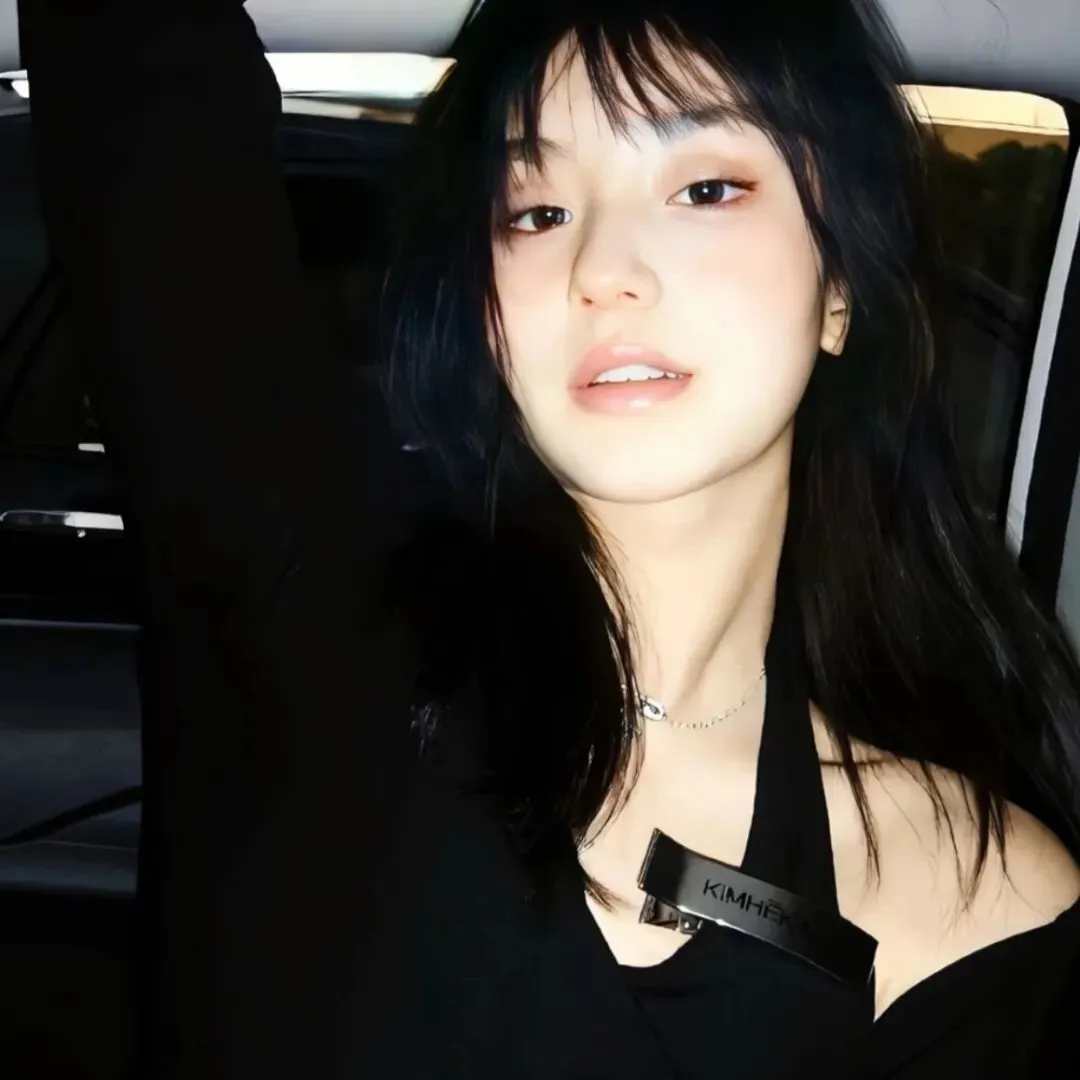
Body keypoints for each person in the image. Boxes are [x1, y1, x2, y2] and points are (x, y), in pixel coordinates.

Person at [22, 0, 1080, 1077]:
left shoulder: (973, 888)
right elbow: (135, 75)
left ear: (840, 286)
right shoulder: (317, 602)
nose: (602, 268)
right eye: (537, 211)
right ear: (488, 313)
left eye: (704, 189)